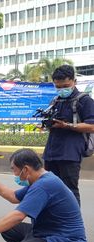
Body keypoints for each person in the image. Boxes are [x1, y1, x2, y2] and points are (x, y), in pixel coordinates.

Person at [43, 64, 94, 206]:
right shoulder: (56, 101)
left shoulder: (84, 100)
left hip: (70, 154)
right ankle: (55, 223)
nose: (61, 90)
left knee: (70, 190)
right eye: (58, 87)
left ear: (74, 81)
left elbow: (92, 126)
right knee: (49, 189)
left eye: (65, 85)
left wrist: (68, 126)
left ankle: (74, 225)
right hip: (51, 153)